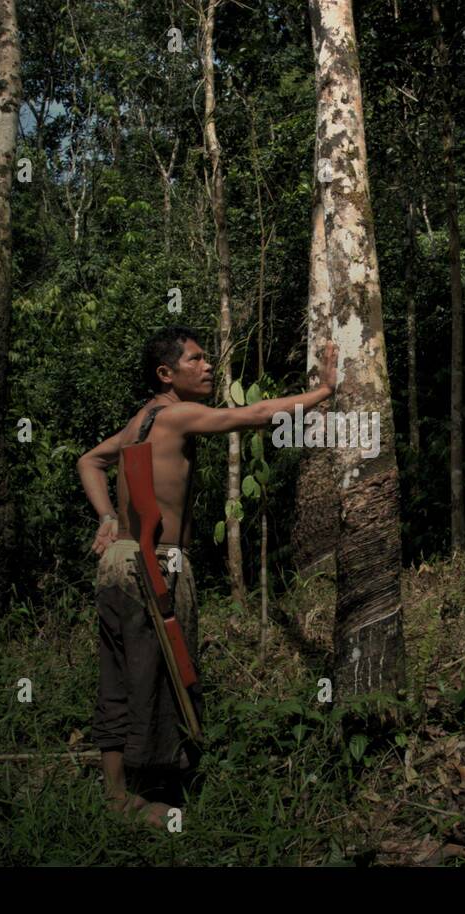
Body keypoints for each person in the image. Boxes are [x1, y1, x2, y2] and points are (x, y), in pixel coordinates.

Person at [76, 326, 339, 827]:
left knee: (118, 677)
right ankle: (143, 793)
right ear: (166, 373)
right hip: (153, 563)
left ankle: (116, 794)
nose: (208, 367)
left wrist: (108, 518)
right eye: (196, 360)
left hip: (117, 564)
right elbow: (255, 414)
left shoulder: (140, 422)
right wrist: (323, 392)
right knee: (154, 676)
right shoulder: (177, 414)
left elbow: (89, 460)